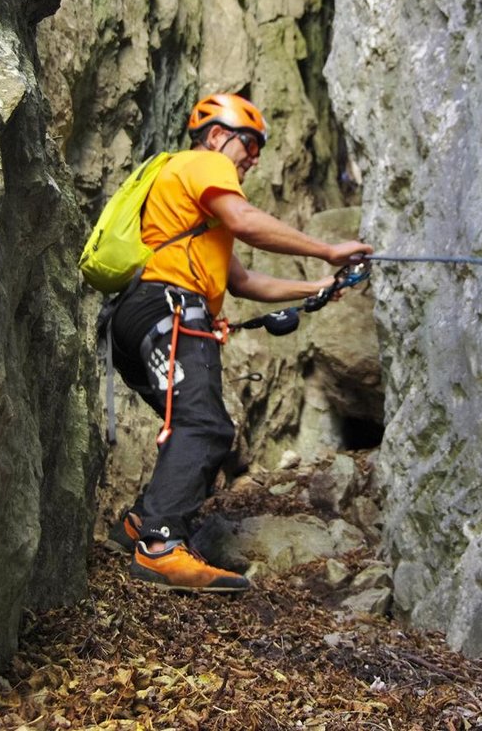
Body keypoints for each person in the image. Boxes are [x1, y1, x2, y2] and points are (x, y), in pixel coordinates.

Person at [103, 92, 373, 592]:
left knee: (200, 425)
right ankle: (160, 545)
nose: (254, 158)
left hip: (136, 318)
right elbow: (247, 222)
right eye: (249, 144)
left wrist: (317, 286)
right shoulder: (205, 164)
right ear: (216, 136)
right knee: (203, 425)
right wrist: (329, 250)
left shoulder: (191, 212)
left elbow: (244, 282)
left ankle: (140, 523)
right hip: (170, 310)